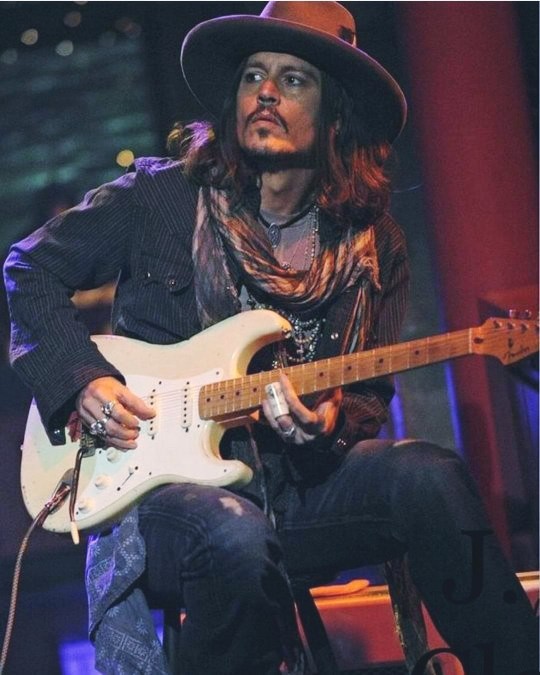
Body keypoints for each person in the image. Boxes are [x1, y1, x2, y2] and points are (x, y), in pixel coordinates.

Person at [3, 3, 537, 674]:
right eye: (254, 75)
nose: (265, 93)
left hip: (297, 491)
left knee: (428, 476)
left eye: (293, 80)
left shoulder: (375, 246)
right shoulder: (162, 197)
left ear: (335, 112)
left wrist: (331, 422)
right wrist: (84, 378)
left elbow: (367, 399)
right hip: (158, 500)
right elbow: (29, 269)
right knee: (235, 535)